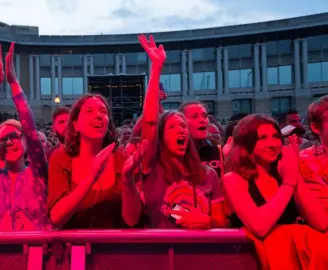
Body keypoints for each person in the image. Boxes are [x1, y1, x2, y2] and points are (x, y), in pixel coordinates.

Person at [122, 34, 225, 229]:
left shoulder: (209, 175)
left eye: (183, 126)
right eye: (172, 127)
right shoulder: (152, 168)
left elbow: (221, 220)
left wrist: (208, 221)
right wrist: (156, 68)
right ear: (160, 137)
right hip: (161, 255)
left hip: (201, 255)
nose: (181, 130)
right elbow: (151, 122)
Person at [224, 114, 328, 269]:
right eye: (263, 138)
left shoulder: (285, 171)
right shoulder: (233, 179)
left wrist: (296, 176)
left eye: (275, 136)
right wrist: (288, 184)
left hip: (297, 259)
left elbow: (321, 222)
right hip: (249, 263)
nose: (273, 144)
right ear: (246, 143)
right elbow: (259, 226)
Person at [0, 42, 50, 231]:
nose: (9, 142)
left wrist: (14, 84)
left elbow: (32, 132)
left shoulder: (38, 175)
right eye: (2, 139)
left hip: (34, 254)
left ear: (25, 142)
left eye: (14, 136)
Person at [48, 93, 125, 229]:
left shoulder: (121, 159)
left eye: (103, 111)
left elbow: (133, 220)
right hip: (74, 247)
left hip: (115, 247)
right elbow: (56, 217)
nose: (98, 115)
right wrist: (92, 176)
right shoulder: (60, 158)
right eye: (89, 111)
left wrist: (130, 182)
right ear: (75, 125)